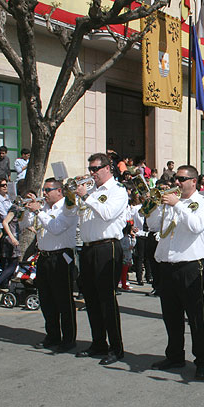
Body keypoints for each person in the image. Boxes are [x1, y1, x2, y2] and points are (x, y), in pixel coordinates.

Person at [146, 165, 204, 380]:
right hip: (167, 265)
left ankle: (202, 360)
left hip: (190, 267)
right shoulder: (170, 201)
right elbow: (153, 225)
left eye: (182, 179)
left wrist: (178, 206)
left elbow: (196, 226)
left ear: (194, 181)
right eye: (176, 178)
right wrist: (155, 205)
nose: (177, 182)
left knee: (195, 318)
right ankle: (175, 355)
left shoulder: (203, 204)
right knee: (171, 316)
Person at [75, 153, 128, 366]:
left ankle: (116, 347)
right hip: (88, 248)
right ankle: (98, 342)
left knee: (107, 299)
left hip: (108, 247)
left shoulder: (117, 191)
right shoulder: (93, 191)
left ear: (108, 168)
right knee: (91, 299)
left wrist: (87, 197)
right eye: (90, 169)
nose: (92, 173)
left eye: (96, 168)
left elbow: (107, 213)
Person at [25, 178, 79, 353]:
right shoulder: (45, 208)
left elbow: (56, 228)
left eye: (48, 190)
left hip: (61, 256)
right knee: (47, 300)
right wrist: (29, 210)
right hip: (44, 256)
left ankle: (68, 339)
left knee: (63, 300)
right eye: (44, 190)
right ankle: (52, 335)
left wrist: (39, 211)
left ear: (59, 191)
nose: (45, 194)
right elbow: (25, 225)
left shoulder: (68, 207)